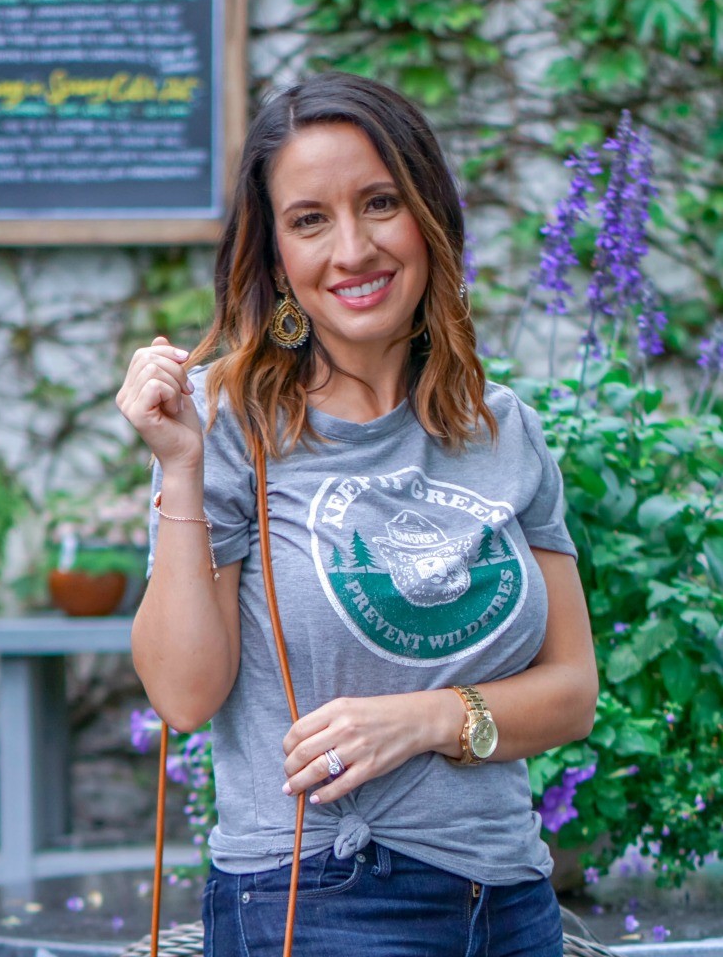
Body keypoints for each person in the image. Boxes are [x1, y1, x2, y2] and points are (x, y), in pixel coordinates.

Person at [116, 72, 598, 957]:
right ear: (275, 259)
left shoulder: (504, 428)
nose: (353, 248)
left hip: (512, 897)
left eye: (380, 203)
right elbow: (184, 695)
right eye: (310, 220)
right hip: (317, 893)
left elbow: (571, 695)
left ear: (429, 215)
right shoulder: (225, 425)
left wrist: (423, 718)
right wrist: (180, 471)